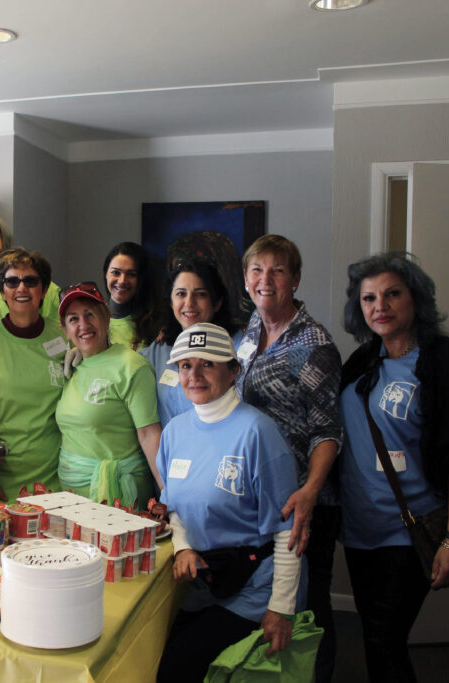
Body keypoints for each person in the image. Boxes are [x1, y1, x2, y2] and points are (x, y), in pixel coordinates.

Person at [338, 252, 449, 682]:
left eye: (392, 294)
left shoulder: (444, 360)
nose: (380, 306)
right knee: (374, 638)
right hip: (358, 531)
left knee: (384, 642)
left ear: (416, 299)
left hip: (410, 531)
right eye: (369, 298)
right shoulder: (362, 362)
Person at [156, 323, 301, 683]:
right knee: (157, 654)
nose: (195, 375)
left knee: (176, 668)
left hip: (253, 588)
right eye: (186, 366)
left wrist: (281, 608)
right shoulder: (175, 431)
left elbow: (288, 532)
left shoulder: (259, 433)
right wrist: (183, 548)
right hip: (204, 583)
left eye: (208, 364)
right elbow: (172, 505)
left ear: (233, 370)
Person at [235, 234, 342, 683]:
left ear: (295, 280)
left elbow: (328, 430)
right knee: (272, 597)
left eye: (277, 270)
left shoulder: (313, 344)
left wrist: (311, 492)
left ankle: (316, 675)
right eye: (257, 270)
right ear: (246, 280)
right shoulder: (249, 333)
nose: (266, 279)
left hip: (303, 496)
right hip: (261, 493)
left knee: (309, 603)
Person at [0, 248, 67, 500]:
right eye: (12, 281)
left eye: (30, 281)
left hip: (58, 470)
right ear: (2, 291)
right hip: (3, 473)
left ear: (43, 290)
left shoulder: (64, 336)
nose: (21, 288)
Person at [54, 281, 161, 506]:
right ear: (64, 329)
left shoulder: (132, 366)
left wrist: (168, 494)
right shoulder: (75, 365)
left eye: (90, 314)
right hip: (72, 497)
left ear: (106, 317)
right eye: (73, 319)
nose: (83, 325)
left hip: (120, 496)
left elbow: (150, 434)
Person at [141, 258, 237, 428]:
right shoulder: (159, 350)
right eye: (181, 294)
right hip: (174, 450)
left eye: (201, 294)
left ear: (217, 302)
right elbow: (121, 366)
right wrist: (85, 353)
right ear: (171, 302)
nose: (189, 303)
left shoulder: (236, 345)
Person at [101, 242, 162, 350]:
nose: (122, 281)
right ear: (106, 274)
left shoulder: (156, 323)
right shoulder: (93, 319)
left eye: (131, 274)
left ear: (141, 279)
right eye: (116, 272)